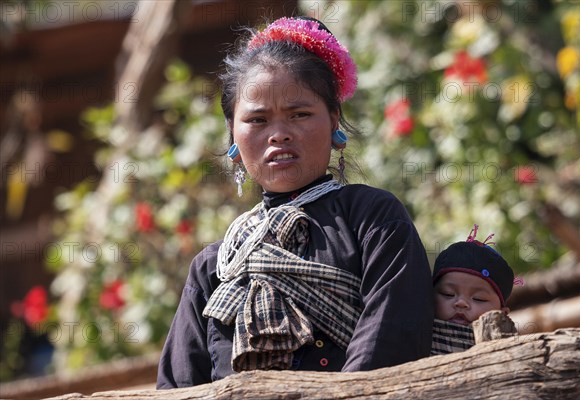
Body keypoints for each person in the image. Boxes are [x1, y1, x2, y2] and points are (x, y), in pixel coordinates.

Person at [157, 16, 433, 388]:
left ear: (334, 120)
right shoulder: (214, 268)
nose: (279, 135)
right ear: (233, 138)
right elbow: (179, 387)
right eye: (257, 120)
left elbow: (393, 336)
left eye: (300, 114)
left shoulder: (372, 220)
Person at [430, 225, 514, 355]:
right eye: (448, 294)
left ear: (503, 314)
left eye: (478, 299)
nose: (461, 303)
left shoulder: (507, 352)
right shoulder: (415, 334)